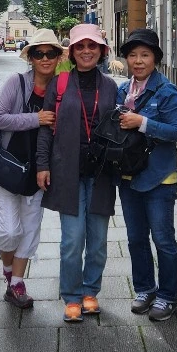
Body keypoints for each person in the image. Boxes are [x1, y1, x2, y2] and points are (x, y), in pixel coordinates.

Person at [0, 29, 62, 308]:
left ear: (58, 57)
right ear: (31, 58)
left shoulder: (61, 89)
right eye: (39, 53)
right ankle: (8, 270)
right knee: (9, 231)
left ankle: (17, 284)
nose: (45, 58)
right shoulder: (17, 82)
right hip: (7, 168)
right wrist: (36, 118)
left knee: (30, 228)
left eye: (50, 53)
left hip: (39, 172)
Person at [36, 23, 118, 323]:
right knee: (72, 239)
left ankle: (90, 291)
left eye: (92, 46)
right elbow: (46, 128)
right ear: (71, 52)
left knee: (98, 241)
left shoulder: (110, 86)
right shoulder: (59, 84)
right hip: (67, 172)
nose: (86, 51)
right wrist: (42, 165)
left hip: (101, 174)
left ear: (101, 51)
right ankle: (71, 295)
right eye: (80, 46)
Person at [116, 29, 177, 322]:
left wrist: (142, 122)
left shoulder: (168, 91)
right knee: (135, 238)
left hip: (159, 178)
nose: (138, 61)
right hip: (128, 177)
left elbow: (176, 131)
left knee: (163, 240)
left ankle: (168, 296)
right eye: (133, 55)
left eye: (145, 55)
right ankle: (145, 289)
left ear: (155, 58)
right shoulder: (122, 90)